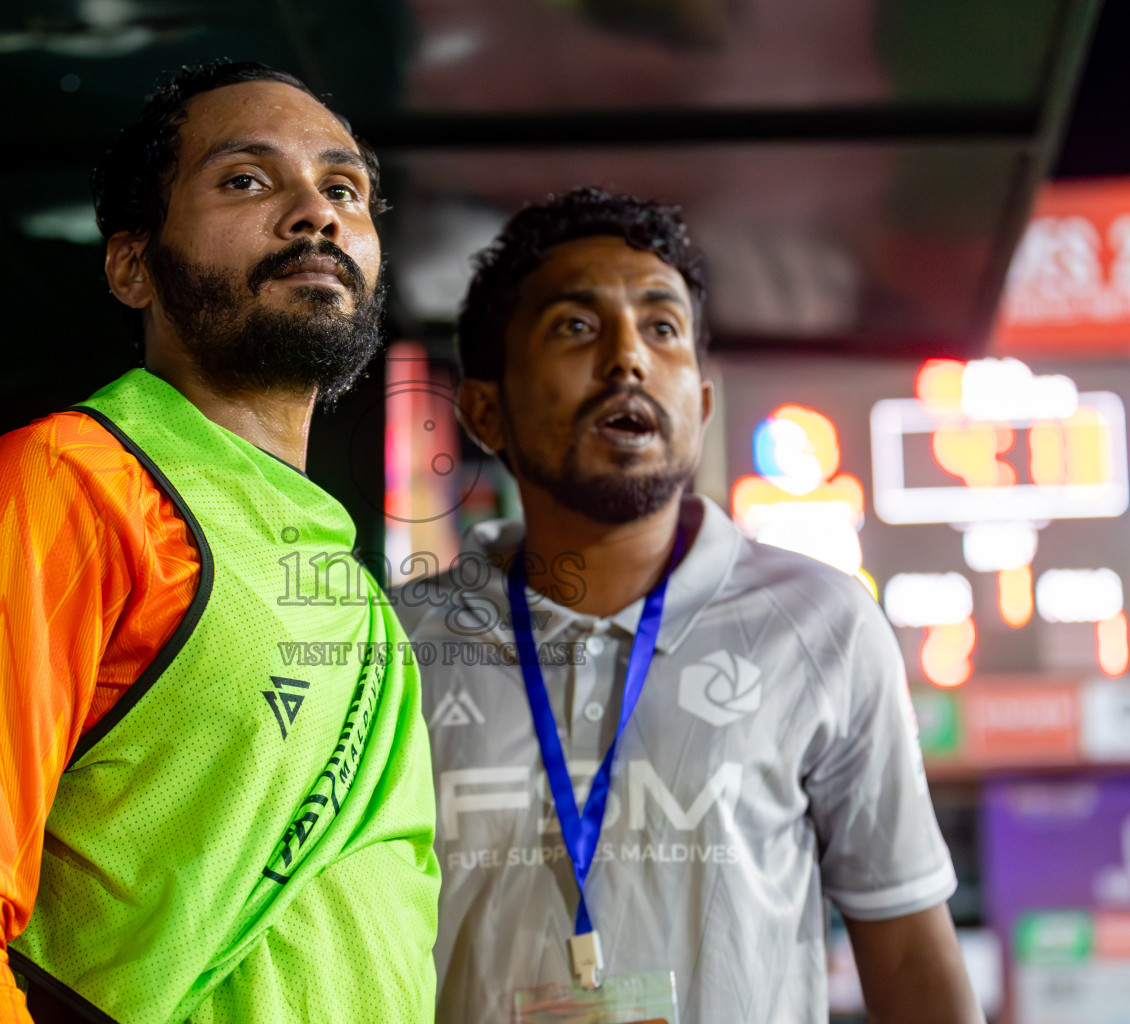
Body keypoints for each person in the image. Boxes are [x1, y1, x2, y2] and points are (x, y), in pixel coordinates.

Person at [0, 61, 439, 1024]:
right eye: (247, 180)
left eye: (344, 190)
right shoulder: (70, 485)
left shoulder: (347, 581)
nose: (316, 214)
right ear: (133, 265)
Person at [395, 188, 981, 1024]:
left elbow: (912, 954)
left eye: (662, 328)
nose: (628, 358)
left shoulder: (824, 627)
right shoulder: (397, 643)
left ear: (700, 406)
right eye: (575, 326)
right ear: (486, 410)